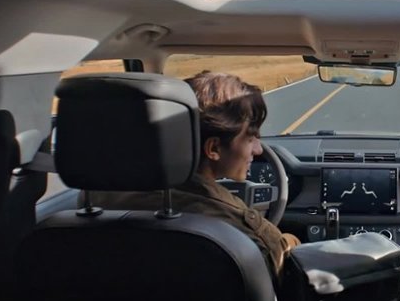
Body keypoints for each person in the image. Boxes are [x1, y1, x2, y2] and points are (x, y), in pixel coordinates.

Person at [85, 71, 300, 278]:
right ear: (213, 148)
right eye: (251, 138)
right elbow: (285, 270)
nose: (258, 150)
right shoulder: (237, 224)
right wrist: (289, 241)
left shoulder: (93, 204)